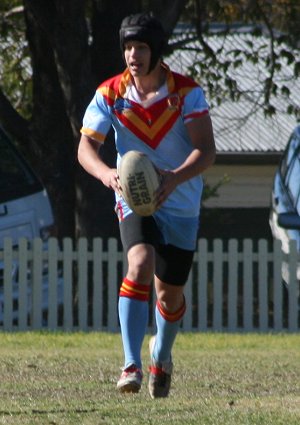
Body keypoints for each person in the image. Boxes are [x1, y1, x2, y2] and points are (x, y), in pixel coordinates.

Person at [78, 12, 216, 398]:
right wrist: (108, 175)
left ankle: (161, 357)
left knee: (168, 294)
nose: (132, 55)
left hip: (180, 200)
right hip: (134, 199)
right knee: (139, 264)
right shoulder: (110, 93)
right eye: (127, 47)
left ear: (157, 52)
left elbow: (206, 152)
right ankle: (130, 364)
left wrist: (173, 179)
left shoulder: (187, 93)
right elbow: (85, 148)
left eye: (140, 47)